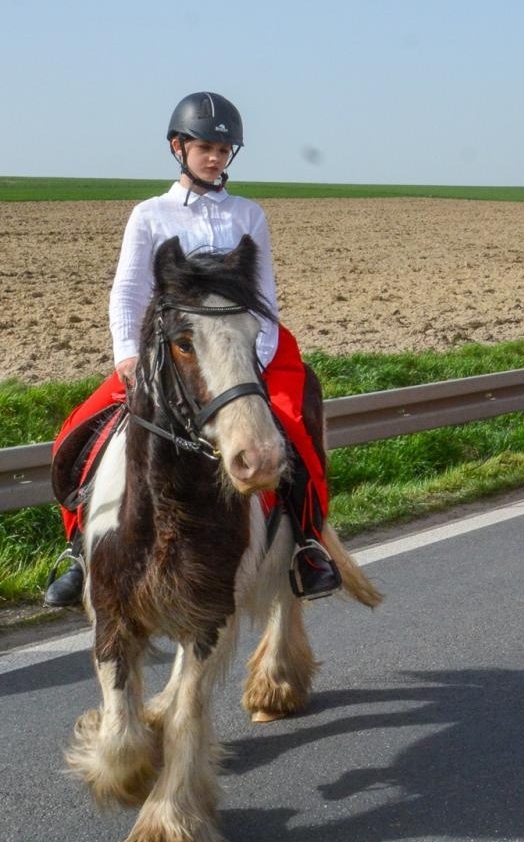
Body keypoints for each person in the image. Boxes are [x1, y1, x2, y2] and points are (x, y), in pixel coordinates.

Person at [43, 92, 340, 607]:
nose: (216, 157)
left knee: (294, 429)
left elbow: (264, 296)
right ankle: (77, 547)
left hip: (248, 348)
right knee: (75, 436)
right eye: (206, 146)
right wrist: (127, 357)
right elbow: (128, 290)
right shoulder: (149, 215)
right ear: (178, 147)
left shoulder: (249, 214)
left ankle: (307, 545)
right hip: (171, 353)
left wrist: (252, 362)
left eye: (225, 150)